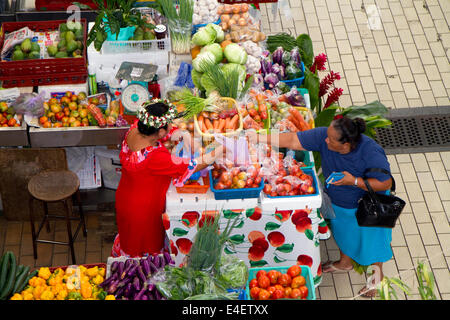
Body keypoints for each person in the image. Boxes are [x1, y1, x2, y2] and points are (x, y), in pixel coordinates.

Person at [248, 115, 393, 298]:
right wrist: (259, 137)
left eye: (330, 139)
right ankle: (345, 263)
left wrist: (354, 181)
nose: (325, 139)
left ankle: (376, 281)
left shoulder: (370, 152)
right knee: (343, 234)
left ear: (346, 144)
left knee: (371, 245)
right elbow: (293, 139)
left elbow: (385, 182)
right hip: (339, 203)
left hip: (367, 206)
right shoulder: (325, 136)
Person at [113, 99, 223, 258]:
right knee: (144, 248)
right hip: (144, 211)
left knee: (130, 240)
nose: (172, 126)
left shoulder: (136, 129)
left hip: (126, 198)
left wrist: (183, 134)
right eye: (169, 124)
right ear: (161, 132)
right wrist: (218, 151)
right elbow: (191, 165)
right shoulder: (155, 156)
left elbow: (162, 132)